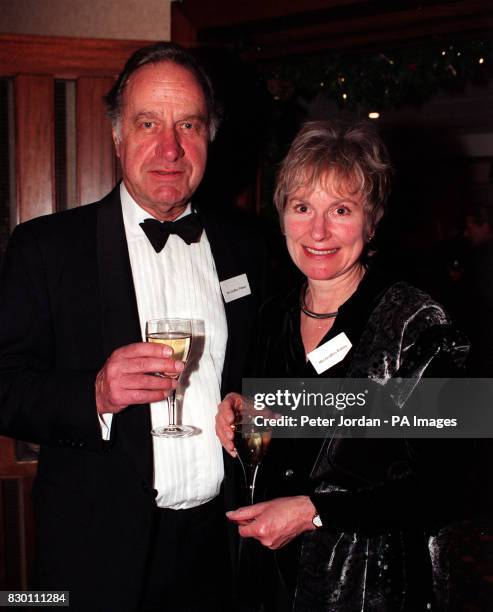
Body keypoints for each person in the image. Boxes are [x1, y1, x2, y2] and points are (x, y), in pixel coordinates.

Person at [0, 42, 263, 612]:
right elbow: (5, 386)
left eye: (188, 124)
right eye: (148, 123)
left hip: (220, 549)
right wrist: (93, 392)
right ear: (117, 136)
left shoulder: (248, 249)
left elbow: (269, 376)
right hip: (96, 554)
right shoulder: (45, 249)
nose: (170, 148)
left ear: (209, 138)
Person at [216, 120, 471, 611]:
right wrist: (236, 409)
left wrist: (315, 512)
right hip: (273, 579)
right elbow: (278, 424)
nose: (318, 231)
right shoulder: (272, 316)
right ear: (283, 216)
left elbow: (449, 483)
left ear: (371, 222)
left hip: (371, 584)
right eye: (302, 207)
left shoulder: (418, 321)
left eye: (341, 210)